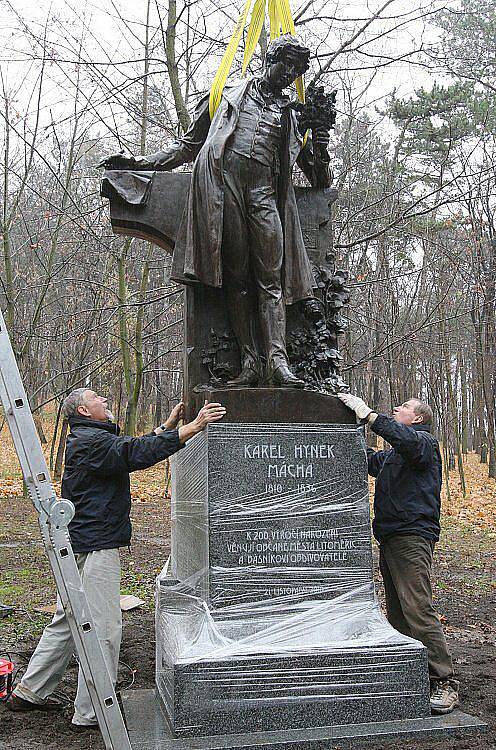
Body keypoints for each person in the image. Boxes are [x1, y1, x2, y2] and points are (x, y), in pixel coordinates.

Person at [101, 35, 332, 388]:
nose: (290, 73)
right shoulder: (226, 95)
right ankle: (252, 364)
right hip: (225, 192)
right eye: (286, 63)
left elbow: (318, 177)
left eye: (297, 69)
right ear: (271, 59)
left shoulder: (291, 115)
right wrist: (141, 163)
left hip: (264, 195)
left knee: (271, 280)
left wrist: (319, 141)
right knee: (237, 281)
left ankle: (278, 364)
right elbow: (188, 145)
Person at [6, 388, 226, 727]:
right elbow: (130, 453)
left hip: (82, 540)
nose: (105, 401)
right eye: (98, 399)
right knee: (104, 628)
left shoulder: (88, 439)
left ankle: (30, 690)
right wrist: (191, 427)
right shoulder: (89, 442)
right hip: (95, 544)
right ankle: (93, 712)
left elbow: (123, 450)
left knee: (68, 621)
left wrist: (164, 429)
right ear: (84, 409)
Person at [337, 393, 459, 715]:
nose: (397, 409)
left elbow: (401, 437)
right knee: (397, 612)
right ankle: (410, 675)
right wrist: (341, 430)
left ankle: (444, 681)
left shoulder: (424, 444)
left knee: (417, 608)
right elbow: (366, 459)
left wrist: (370, 417)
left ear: (417, 418)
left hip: (411, 536)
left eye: (403, 407)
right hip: (390, 538)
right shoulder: (395, 456)